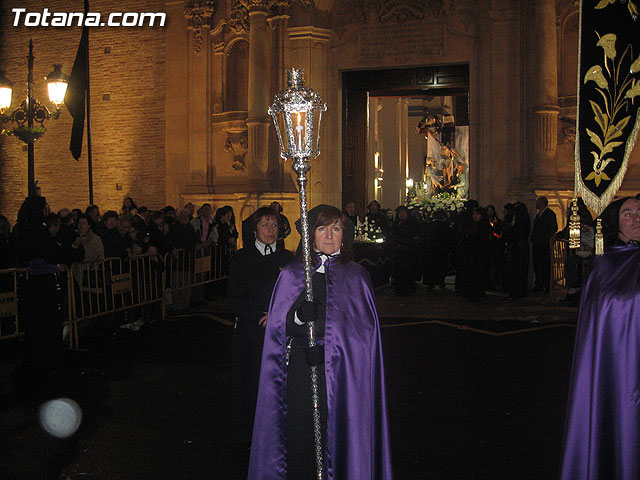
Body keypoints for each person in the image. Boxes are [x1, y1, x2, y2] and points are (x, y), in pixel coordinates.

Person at [248, 205, 393, 480]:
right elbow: (279, 327)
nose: (329, 236)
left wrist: (331, 346)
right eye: (322, 228)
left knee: (340, 433)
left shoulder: (357, 276)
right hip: (303, 369)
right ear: (310, 234)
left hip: (345, 374)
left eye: (336, 229)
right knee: (302, 435)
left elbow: (365, 334)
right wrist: (301, 318)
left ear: (344, 235)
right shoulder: (293, 273)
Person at [559, 196, 640, 480]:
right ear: (616, 221)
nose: (636, 218)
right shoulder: (604, 265)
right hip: (618, 366)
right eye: (628, 213)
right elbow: (602, 320)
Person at [228, 206, 294, 446]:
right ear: (254, 230)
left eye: (274, 225)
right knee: (252, 383)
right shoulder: (242, 258)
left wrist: (278, 316)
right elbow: (236, 295)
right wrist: (258, 316)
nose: (270, 230)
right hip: (252, 332)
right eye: (265, 225)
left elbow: (294, 293)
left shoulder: (288, 259)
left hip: (281, 333)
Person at [530, 196, 557, 294]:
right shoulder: (538, 215)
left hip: (544, 244)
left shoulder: (550, 214)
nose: (536, 204)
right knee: (537, 265)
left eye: (538, 202)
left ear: (542, 203)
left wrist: (545, 238)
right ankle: (539, 285)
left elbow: (553, 228)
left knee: (545, 266)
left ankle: (547, 286)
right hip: (537, 244)